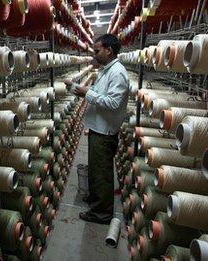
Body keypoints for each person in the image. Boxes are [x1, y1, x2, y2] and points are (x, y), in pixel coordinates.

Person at [64, 34, 129, 224]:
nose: (95, 54)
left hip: (104, 132)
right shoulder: (106, 70)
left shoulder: (117, 73)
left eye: (97, 51)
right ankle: (96, 199)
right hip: (98, 129)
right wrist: (76, 89)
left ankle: (101, 213)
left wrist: (86, 92)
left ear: (109, 50)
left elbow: (113, 103)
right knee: (95, 169)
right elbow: (99, 95)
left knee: (101, 173)